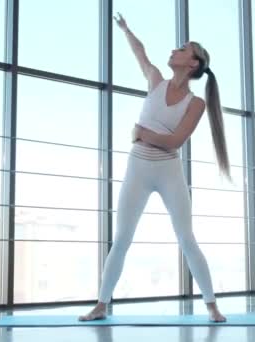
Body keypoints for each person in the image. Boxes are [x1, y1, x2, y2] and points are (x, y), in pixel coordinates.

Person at [79, 12, 230, 323]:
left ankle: (212, 305)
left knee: (186, 238)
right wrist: (125, 29)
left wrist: (141, 133)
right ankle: (101, 305)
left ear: (193, 63)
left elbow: (174, 141)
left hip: (168, 172)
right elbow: (140, 52)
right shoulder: (155, 81)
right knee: (121, 239)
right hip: (138, 168)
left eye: (182, 48)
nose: (175, 50)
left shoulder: (196, 103)